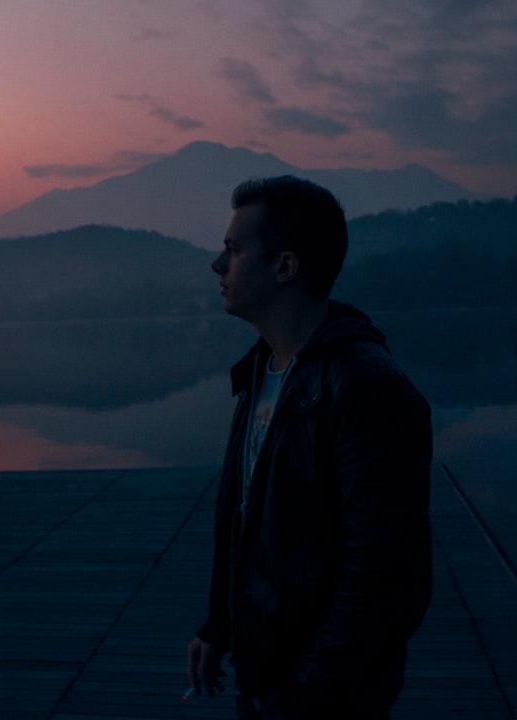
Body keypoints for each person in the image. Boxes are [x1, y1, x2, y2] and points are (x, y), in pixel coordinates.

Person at [186, 175, 433, 719]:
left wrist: (310, 695)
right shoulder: (263, 369)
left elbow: (382, 579)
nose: (217, 265)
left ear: (285, 268)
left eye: (233, 249)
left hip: (321, 699)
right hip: (265, 680)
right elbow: (248, 524)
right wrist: (218, 626)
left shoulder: (368, 390)